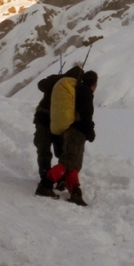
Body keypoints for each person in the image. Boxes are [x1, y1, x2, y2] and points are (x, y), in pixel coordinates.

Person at [43, 70, 98, 206]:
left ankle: (74, 191)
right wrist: (90, 131)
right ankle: (45, 184)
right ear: (94, 84)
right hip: (77, 132)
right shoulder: (85, 94)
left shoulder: (77, 91)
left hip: (72, 131)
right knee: (68, 161)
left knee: (74, 163)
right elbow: (86, 116)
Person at [33, 65, 84, 198]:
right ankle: (60, 179)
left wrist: (58, 78)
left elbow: (41, 85)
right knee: (62, 150)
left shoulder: (56, 80)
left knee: (43, 149)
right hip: (60, 123)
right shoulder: (75, 88)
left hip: (43, 118)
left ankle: (45, 175)